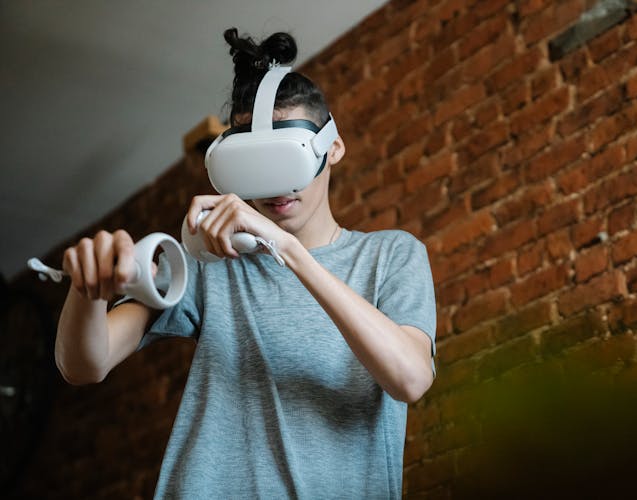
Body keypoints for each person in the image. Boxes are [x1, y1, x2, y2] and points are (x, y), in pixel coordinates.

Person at [55, 28, 436, 498]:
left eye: (288, 160)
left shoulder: (391, 255)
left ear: (332, 148)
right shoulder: (209, 262)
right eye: (256, 165)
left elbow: (411, 378)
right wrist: (86, 290)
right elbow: (84, 365)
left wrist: (288, 251)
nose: (277, 190)